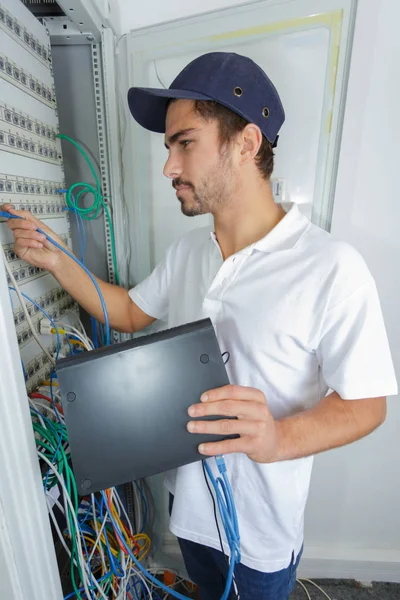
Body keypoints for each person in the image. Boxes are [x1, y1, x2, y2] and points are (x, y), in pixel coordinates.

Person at [2, 52, 397, 600]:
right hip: (187, 512)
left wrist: (278, 437)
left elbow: (367, 404)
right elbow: (131, 313)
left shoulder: (331, 266)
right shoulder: (189, 252)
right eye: (169, 147)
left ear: (247, 143)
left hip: (260, 532)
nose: (169, 167)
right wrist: (56, 259)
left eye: (184, 143)